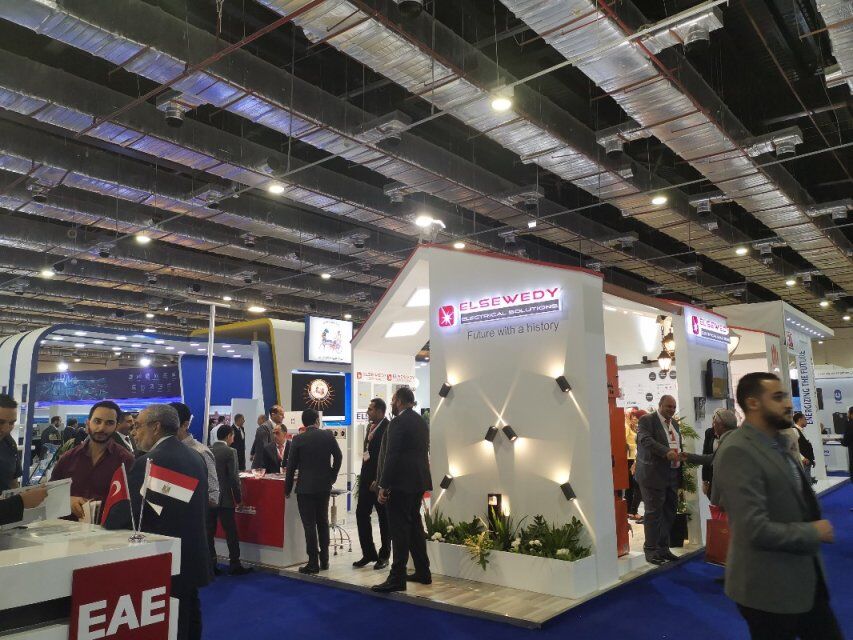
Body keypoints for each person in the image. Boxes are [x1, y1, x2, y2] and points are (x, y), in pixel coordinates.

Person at [711, 372, 842, 640]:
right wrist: (813, 532)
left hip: (803, 578)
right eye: (778, 397)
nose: (788, 404)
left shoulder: (778, 442)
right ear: (753, 403)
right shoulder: (737, 450)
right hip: (768, 589)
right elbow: (753, 529)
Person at [105, 404, 210, 640]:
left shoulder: (150, 462)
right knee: (190, 612)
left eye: (139, 426)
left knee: (172, 620)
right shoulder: (195, 456)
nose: (134, 432)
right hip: (192, 551)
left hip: (164, 556)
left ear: (156, 427)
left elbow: (127, 514)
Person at [372, 387, 432, 593]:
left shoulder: (398, 422)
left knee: (399, 530)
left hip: (400, 483)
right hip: (418, 482)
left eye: (392, 400)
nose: (391, 403)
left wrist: (383, 485)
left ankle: (397, 577)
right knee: (414, 526)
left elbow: (392, 455)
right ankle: (423, 571)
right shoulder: (420, 421)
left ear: (398, 401)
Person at [51, 400, 134, 520]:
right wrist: (67, 500)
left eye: (109, 423)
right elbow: (50, 494)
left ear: (116, 426)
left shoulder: (125, 460)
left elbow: (131, 503)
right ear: (88, 423)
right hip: (69, 527)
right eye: (97, 421)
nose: (102, 428)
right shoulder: (68, 458)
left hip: (107, 528)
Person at [284, 409, 342, 575]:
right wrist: (332, 476)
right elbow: (338, 457)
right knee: (323, 522)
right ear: (317, 420)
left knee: (309, 525)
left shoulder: (298, 439)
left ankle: (312, 563)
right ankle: (325, 560)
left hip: (305, 488)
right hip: (323, 486)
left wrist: (287, 488)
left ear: (303, 422)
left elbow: (291, 467)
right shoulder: (328, 436)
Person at [634, 395, 682, 565]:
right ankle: (650, 550)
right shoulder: (647, 420)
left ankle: (663, 549)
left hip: (672, 474)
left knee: (669, 512)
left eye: (674, 407)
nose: (672, 409)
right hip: (652, 475)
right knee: (653, 513)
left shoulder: (674, 424)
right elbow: (645, 440)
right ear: (660, 405)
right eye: (668, 406)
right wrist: (665, 452)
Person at [354, 397, 391, 569]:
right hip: (366, 480)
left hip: (379, 483)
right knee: (361, 514)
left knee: (384, 519)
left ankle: (384, 556)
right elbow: (367, 454)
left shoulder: (388, 428)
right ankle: (369, 553)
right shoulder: (370, 426)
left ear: (380, 411)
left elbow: (387, 457)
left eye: (370, 409)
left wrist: (380, 480)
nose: (367, 412)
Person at [210, 425, 251, 576]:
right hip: (225, 498)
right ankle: (235, 564)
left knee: (209, 532)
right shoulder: (230, 451)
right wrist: (238, 499)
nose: (233, 439)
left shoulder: (208, 450)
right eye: (232, 435)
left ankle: (211, 565)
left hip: (210, 498)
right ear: (228, 436)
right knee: (231, 532)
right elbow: (234, 478)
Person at [170, 402, 220, 510]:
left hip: (193, 515)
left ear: (185, 425)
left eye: (170, 426)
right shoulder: (164, 452)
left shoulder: (201, 452)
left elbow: (213, 495)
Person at [625, 408, 645, 521]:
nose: (635, 419)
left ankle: (632, 511)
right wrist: (634, 446)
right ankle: (631, 511)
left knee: (634, 486)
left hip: (634, 459)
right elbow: (625, 443)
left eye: (635, 417)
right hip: (630, 459)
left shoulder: (634, 428)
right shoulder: (627, 427)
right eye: (632, 416)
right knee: (633, 486)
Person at [0, 394, 22, 492]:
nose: (5, 429)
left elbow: (13, 483)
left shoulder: (9, 443)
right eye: (0, 422)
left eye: (11, 423)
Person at [792, 412, 816, 483]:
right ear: (800, 420)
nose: (806, 421)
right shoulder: (794, 430)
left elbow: (806, 446)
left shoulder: (801, 431)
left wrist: (811, 460)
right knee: (804, 483)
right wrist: (802, 458)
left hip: (806, 462)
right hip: (802, 462)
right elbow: (792, 447)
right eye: (805, 419)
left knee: (807, 482)